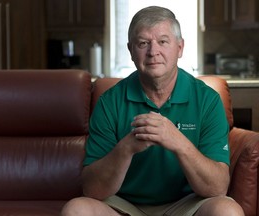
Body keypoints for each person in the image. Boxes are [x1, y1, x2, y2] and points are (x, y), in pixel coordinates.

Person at [61, 6, 244, 216]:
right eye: (143, 43)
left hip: (186, 204)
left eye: (163, 41)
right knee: (76, 210)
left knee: (227, 211)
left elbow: (218, 187)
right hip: (123, 205)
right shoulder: (110, 102)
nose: (153, 51)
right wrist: (127, 147)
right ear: (130, 50)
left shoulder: (207, 100)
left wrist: (177, 141)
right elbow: (91, 190)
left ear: (180, 47)